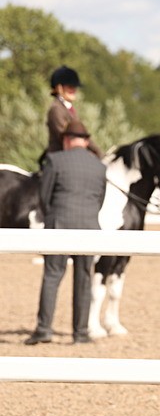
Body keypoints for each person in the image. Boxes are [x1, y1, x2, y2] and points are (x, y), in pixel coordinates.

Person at [25, 120, 107, 346]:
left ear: (66, 139)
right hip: (89, 229)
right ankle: (80, 333)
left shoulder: (55, 160)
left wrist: (53, 215)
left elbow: (44, 196)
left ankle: (44, 329)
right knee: (83, 279)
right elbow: (100, 199)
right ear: (87, 141)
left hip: (59, 225)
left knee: (52, 277)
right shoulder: (99, 166)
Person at [45, 65, 101, 157]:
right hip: (59, 158)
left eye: (75, 87)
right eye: (70, 86)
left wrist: (99, 153)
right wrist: (97, 154)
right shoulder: (56, 109)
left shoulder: (69, 108)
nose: (74, 90)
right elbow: (70, 137)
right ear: (59, 88)